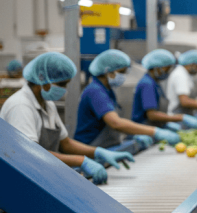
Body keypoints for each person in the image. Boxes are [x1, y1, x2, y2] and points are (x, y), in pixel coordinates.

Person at [0, 52, 135, 185]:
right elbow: (31, 153)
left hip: (38, 177)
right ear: (43, 79)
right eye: (62, 84)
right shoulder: (21, 106)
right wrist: (81, 161)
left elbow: (65, 144)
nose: (64, 89)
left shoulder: (48, 104)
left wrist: (98, 152)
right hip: (16, 183)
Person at [75, 49, 179, 148]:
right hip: (90, 147)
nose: (123, 76)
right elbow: (115, 123)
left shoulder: (107, 90)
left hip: (103, 146)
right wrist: (155, 131)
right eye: (121, 72)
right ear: (109, 72)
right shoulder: (95, 91)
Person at [132, 49, 197, 132]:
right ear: (157, 67)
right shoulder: (147, 84)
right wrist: (180, 118)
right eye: (166, 68)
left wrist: (166, 123)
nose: (168, 72)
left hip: (153, 127)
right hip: (144, 130)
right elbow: (152, 115)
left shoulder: (154, 82)